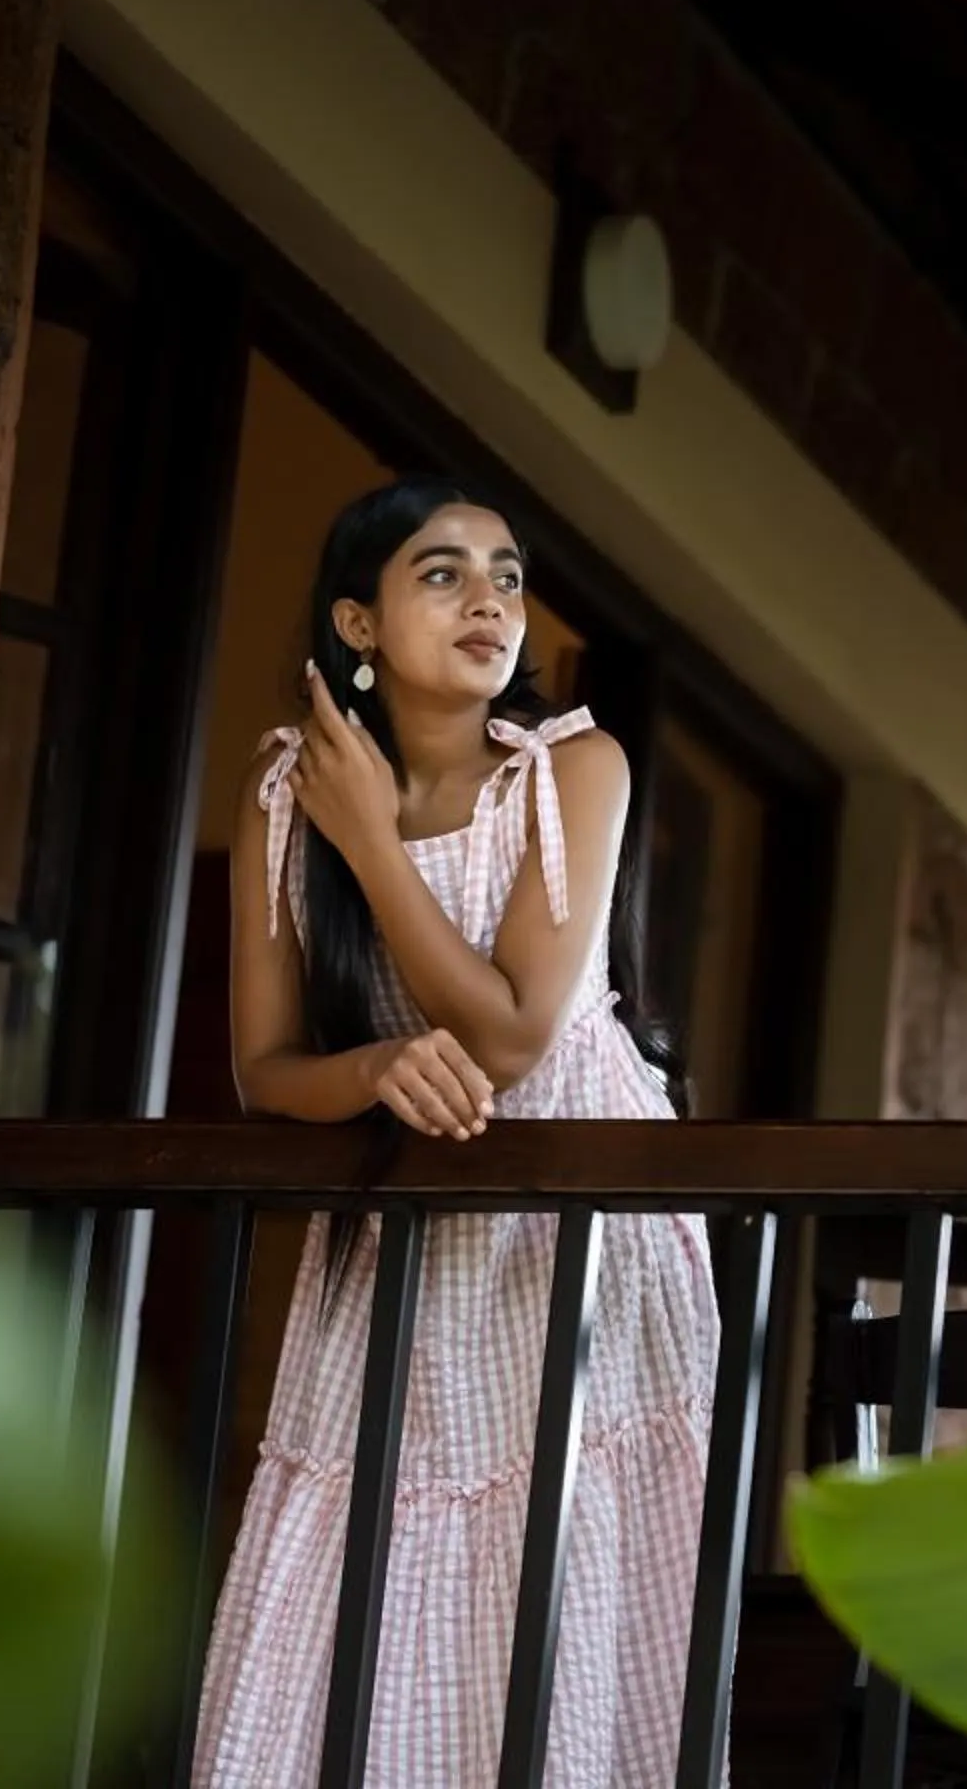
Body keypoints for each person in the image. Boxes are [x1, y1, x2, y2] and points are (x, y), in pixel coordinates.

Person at [190, 478, 717, 1787]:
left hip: (575, 1232)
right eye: (443, 573)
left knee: (554, 1582)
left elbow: (514, 1035)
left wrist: (373, 843)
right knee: (368, 1573)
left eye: (508, 576)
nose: (491, 600)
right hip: (408, 1219)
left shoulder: (571, 771)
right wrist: (374, 1068)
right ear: (357, 623)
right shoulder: (283, 796)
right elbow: (264, 1072)